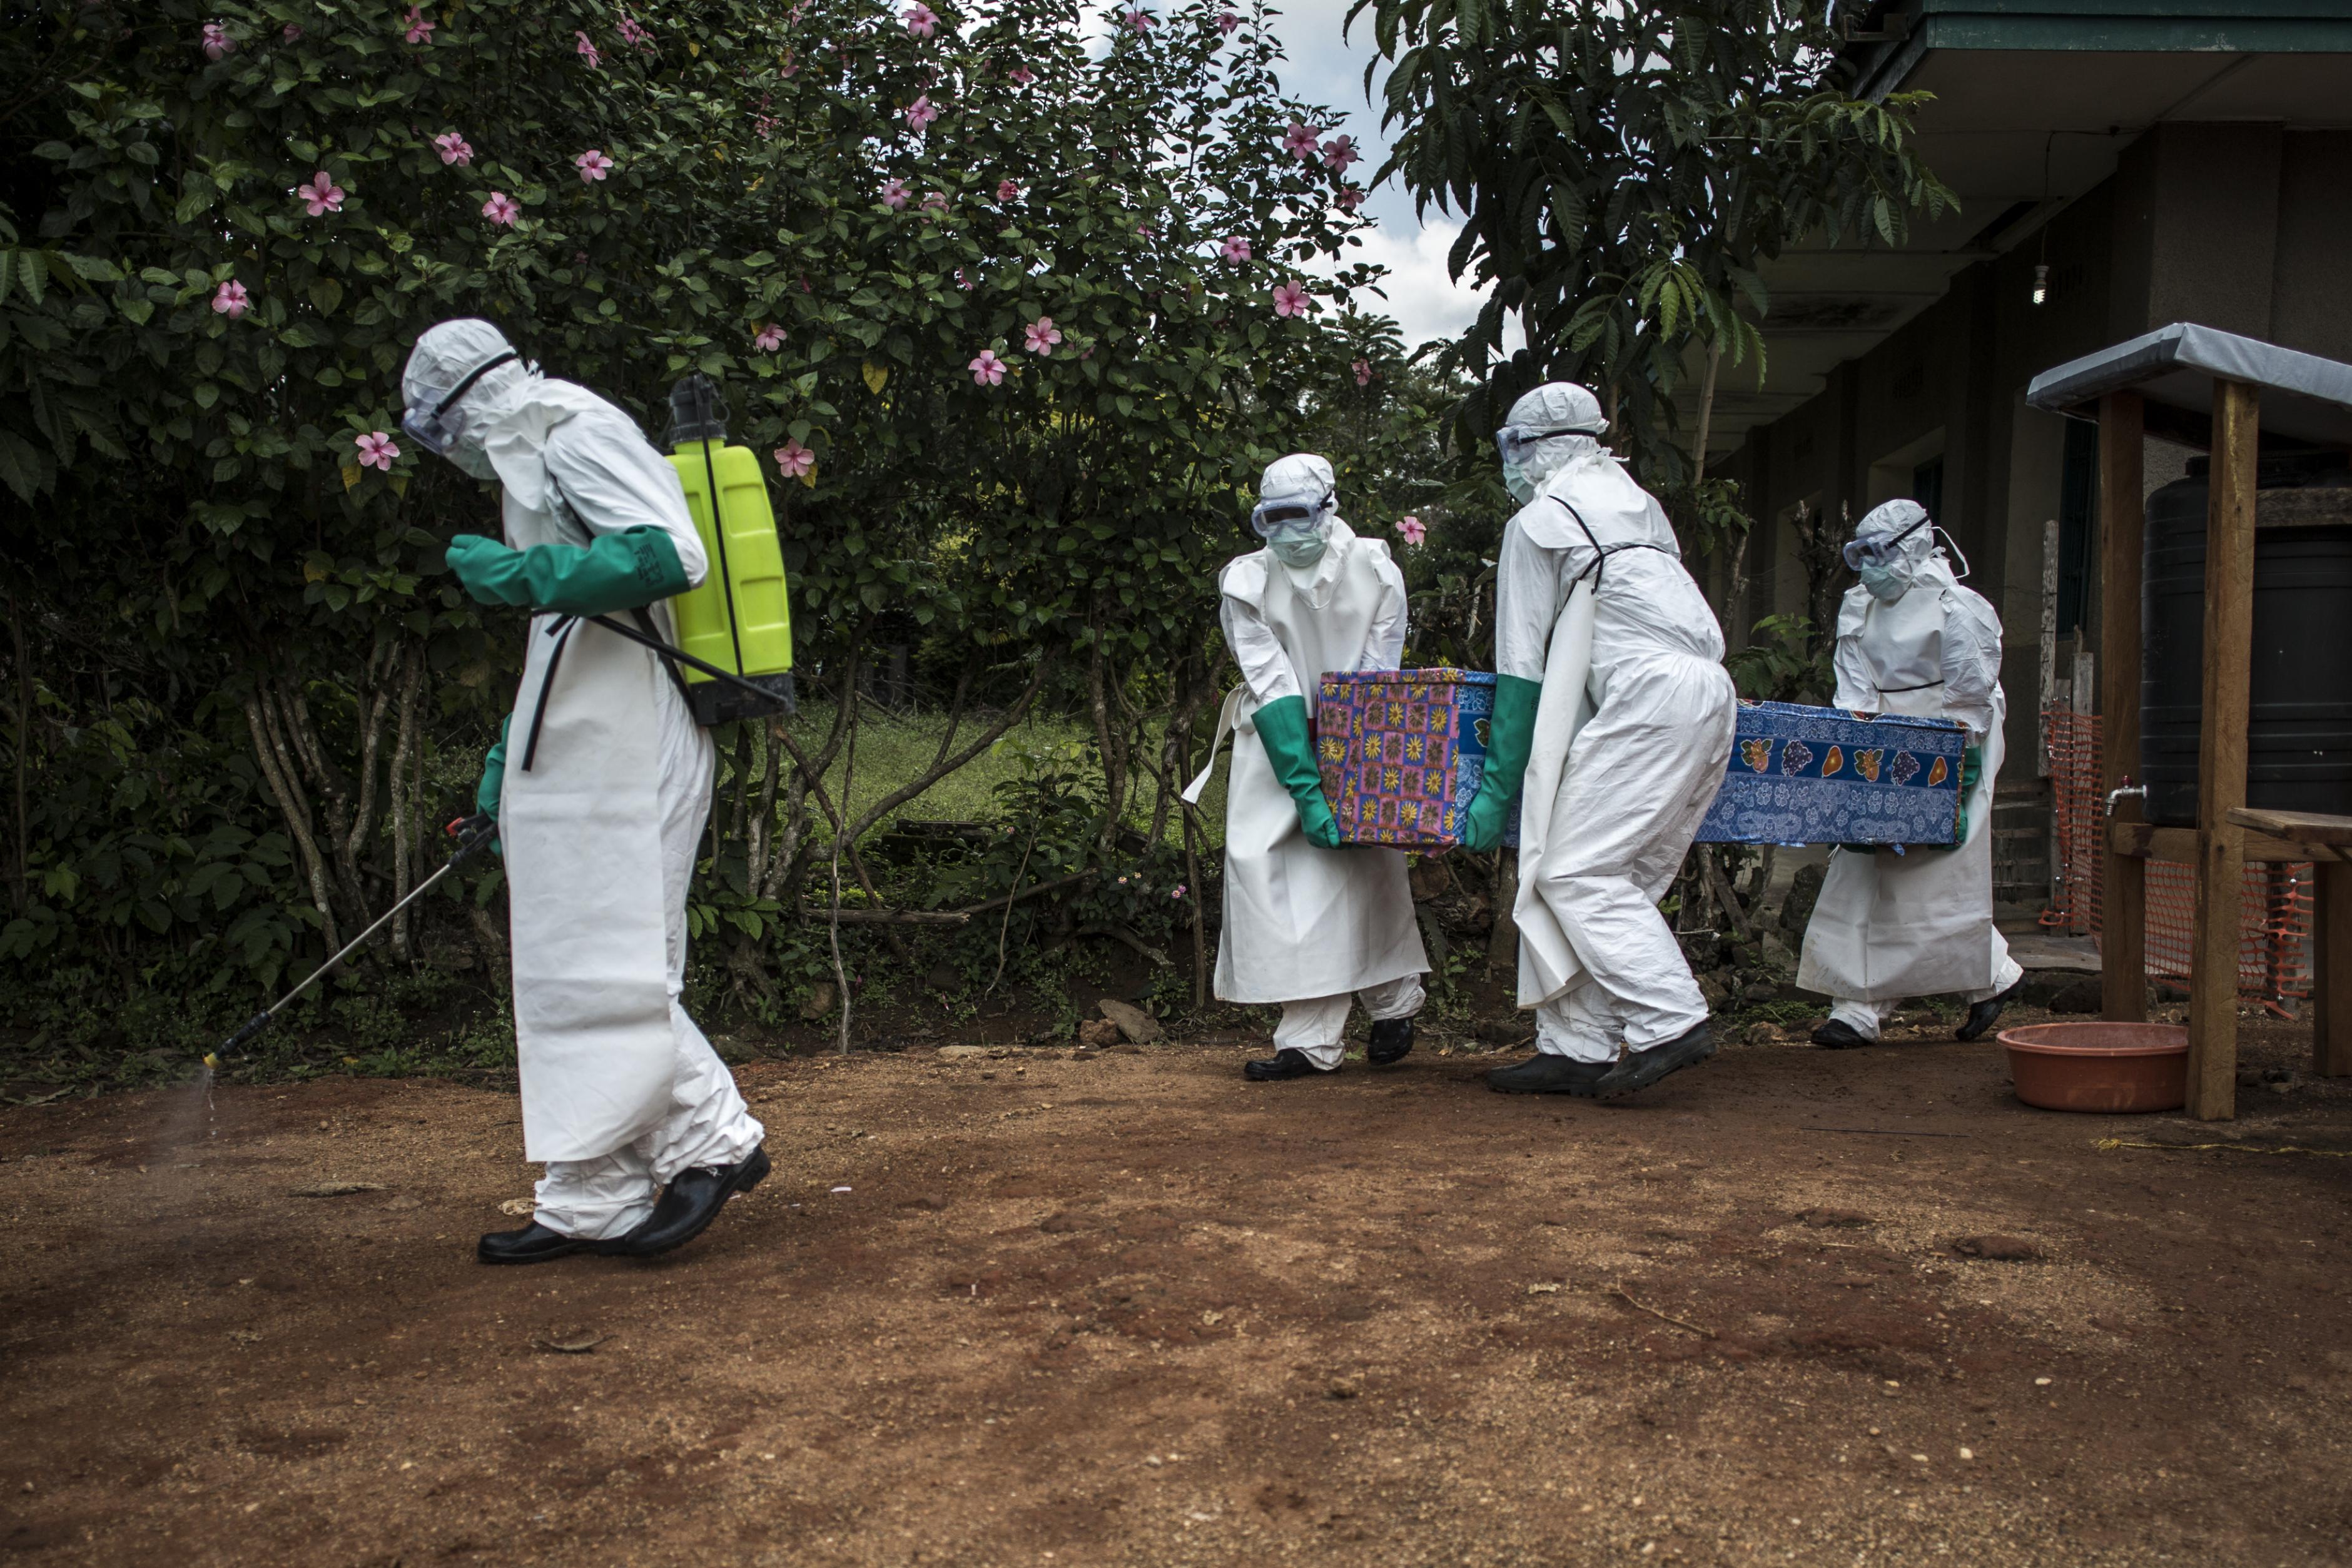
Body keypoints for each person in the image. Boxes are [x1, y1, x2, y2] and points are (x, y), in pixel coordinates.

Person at [400, 318, 769, 1264]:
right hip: (570, 754)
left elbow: (672, 554)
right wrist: (502, 775)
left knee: (622, 964)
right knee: (561, 968)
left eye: (445, 428)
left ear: (468, 400)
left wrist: (524, 574)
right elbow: (558, 643)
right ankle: (588, 1194)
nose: (453, 452)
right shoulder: (529, 461)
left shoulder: (576, 431)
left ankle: (716, 1142)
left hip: (635, 744)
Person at [1457, 383, 1736, 1098]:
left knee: (1573, 873)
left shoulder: (1542, 521)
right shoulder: (1638, 512)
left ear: (1539, 448)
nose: (1511, 465)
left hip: (1649, 698)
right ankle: (1577, 1044)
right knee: (1625, 876)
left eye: (1514, 448)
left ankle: (1670, 1019)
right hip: (1705, 691)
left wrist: (1495, 789)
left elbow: (1519, 670)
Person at [1183, 453, 1429, 1080]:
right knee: (1272, 873)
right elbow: (1270, 680)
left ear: (1328, 508)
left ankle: (1392, 1002)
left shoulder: (1375, 568)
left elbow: (1380, 674)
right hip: (1277, 740)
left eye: (1300, 516)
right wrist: (1305, 785)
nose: (1288, 532)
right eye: (1273, 519)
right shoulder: (1245, 581)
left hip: (1362, 735)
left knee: (1361, 867)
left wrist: (1353, 771)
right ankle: (1310, 1038)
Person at [1798, 499, 2024, 1046]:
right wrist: (1857, 749)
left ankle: (1888, 1002)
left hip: (1949, 736)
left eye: (1881, 553)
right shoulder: (1860, 605)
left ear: (1915, 546)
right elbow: (1853, 685)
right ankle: (1865, 1005)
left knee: (1928, 872)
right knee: (1860, 866)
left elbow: (1970, 693)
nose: (1870, 566)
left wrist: (1959, 761)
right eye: (1862, 554)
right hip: (1886, 740)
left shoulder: (1959, 607)